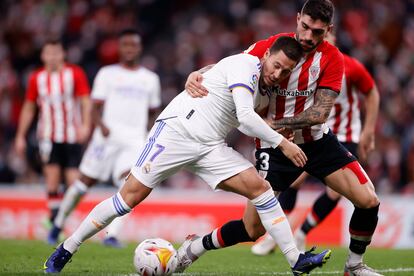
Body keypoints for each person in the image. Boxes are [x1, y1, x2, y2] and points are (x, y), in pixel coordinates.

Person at [44, 36, 332, 275]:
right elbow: (244, 117)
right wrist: (284, 143)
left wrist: (281, 129)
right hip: (177, 131)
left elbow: (251, 116)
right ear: (266, 55)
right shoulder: (246, 64)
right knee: (126, 199)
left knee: (261, 189)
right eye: (276, 65)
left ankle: (296, 260)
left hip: (210, 147)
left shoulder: (266, 94)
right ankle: (66, 248)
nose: (277, 73)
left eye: (285, 71)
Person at [180, 1, 382, 276]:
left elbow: (320, 113)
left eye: (318, 32)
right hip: (274, 149)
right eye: (305, 27)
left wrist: (276, 124)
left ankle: (354, 266)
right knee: (252, 229)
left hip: (317, 143)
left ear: (329, 30)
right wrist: (199, 74)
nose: (309, 37)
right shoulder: (271, 46)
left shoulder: (332, 58)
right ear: (297, 18)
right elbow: (231, 67)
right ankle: (196, 247)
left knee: (369, 200)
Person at [251, 30, 380, 255]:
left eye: (323, 38)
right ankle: (280, 234)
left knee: (336, 191)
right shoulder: (297, 66)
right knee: (293, 182)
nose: (317, 45)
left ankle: (301, 234)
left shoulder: (346, 65)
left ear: (331, 38)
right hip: (305, 133)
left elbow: (371, 92)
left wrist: (368, 131)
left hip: (343, 134)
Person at [47, 29, 162, 247]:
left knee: (129, 186)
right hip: (105, 139)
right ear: (120, 48)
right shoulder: (107, 73)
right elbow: (94, 106)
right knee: (83, 184)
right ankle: (57, 225)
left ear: (140, 48)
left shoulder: (150, 79)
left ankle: (111, 235)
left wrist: (146, 134)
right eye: (126, 45)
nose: (129, 49)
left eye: (134, 45)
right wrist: (101, 126)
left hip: (133, 141)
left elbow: (153, 111)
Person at [14, 39, 91, 227]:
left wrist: (86, 125)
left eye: (56, 53)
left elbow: (85, 100)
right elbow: (29, 107)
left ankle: (58, 218)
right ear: (43, 56)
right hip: (48, 135)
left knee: (75, 183)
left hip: (72, 134)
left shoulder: (75, 73)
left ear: (63, 54)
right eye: (49, 53)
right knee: (52, 178)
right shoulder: (36, 78)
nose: (53, 57)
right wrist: (20, 136)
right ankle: (55, 222)